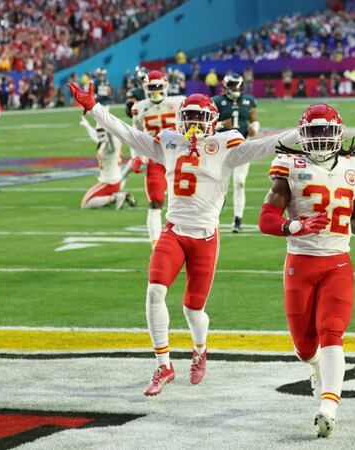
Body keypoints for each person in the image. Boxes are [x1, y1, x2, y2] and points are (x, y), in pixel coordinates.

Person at [68, 82, 299, 396]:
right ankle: (163, 365)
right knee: (154, 292)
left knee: (193, 310)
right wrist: (94, 108)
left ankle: (200, 349)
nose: (193, 124)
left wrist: (303, 132)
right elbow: (128, 134)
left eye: (199, 117)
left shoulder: (225, 144)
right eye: (188, 117)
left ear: (212, 120)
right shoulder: (169, 142)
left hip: (205, 236)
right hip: (174, 231)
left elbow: (266, 145)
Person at [258, 103, 355, 438]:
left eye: (325, 131)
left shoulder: (354, 168)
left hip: (337, 263)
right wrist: (295, 226)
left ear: (338, 134)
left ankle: (328, 408)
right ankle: (316, 367)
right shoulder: (289, 165)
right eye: (313, 131)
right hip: (300, 262)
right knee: (305, 348)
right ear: (302, 135)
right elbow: (266, 219)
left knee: (332, 331)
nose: (319, 138)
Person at [130, 70, 186, 246]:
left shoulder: (179, 102)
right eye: (151, 87)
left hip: (179, 159)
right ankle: (155, 244)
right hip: (155, 159)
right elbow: (135, 136)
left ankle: (186, 240)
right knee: (155, 202)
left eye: (157, 86)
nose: (155, 90)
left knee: (186, 202)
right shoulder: (139, 108)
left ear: (165, 86)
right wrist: (136, 157)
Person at [212, 72, 259, 233]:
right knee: (222, 185)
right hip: (223, 149)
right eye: (233, 86)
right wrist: (221, 125)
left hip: (242, 147)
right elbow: (208, 125)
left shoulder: (248, 100)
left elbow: (254, 120)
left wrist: (254, 128)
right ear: (226, 87)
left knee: (240, 183)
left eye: (238, 86)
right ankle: (214, 218)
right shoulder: (217, 102)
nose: (236, 89)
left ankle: (238, 220)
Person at [79, 116, 135, 209]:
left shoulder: (111, 146)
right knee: (87, 199)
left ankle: (116, 198)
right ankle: (117, 196)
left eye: (102, 131)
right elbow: (96, 136)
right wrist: (87, 126)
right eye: (99, 131)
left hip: (110, 183)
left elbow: (110, 141)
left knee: (85, 203)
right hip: (110, 181)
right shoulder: (105, 142)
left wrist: (108, 128)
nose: (99, 134)